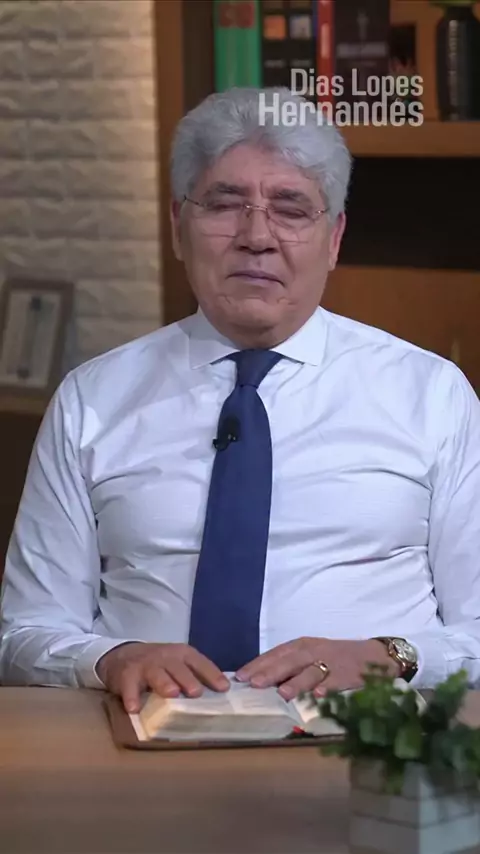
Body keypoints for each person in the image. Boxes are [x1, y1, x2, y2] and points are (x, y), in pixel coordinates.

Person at [1, 87, 480, 715]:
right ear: (178, 226)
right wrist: (111, 658)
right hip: (147, 740)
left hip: (367, 744)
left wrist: (386, 656)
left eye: (291, 209)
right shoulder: (91, 400)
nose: (257, 237)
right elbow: (23, 635)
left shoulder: (432, 394)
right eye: (225, 204)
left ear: (334, 238)